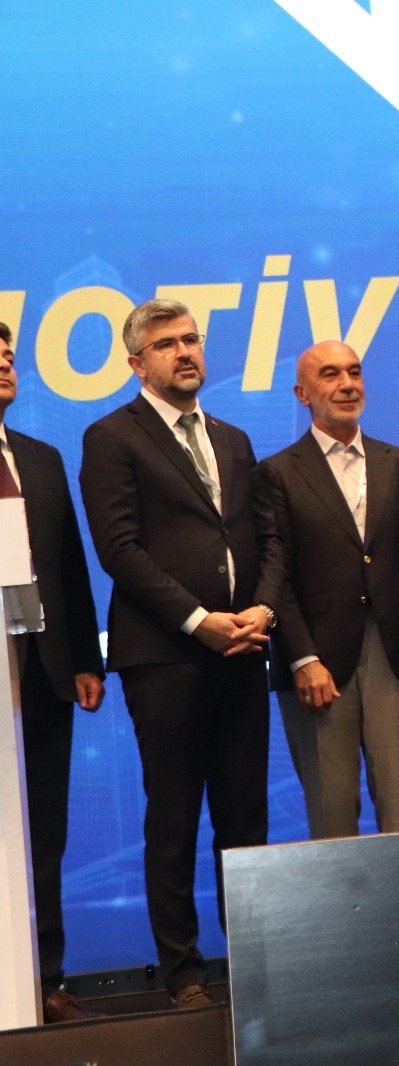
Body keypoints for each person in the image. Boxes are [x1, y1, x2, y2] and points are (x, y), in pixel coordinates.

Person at [79, 299, 282, 1008]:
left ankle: (254, 966)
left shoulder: (233, 438)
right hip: (165, 655)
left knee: (245, 818)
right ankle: (185, 974)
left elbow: (267, 538)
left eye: (191, 339)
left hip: (243, 650)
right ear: (138, 363)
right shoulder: (112, 436)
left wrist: (262, 610)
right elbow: (119, 549)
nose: (186, 352)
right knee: (174, 818)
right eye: (167, 344)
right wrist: (199, 621)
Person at [254, 341, 399, 839]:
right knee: (332, 816)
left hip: (397, 657)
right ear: (302, 394)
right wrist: (301, 658)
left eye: (354, 372)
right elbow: (274, 574)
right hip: (318, 663)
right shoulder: (276, 472)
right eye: (330, 375)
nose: (347, 384)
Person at [0, 322, 106, 1022]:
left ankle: (46, 980)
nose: (5, 364)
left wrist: (85, 661)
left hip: (42, 671)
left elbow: (67, 565)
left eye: (9, 355)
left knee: (45, 830)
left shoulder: (39, 458)